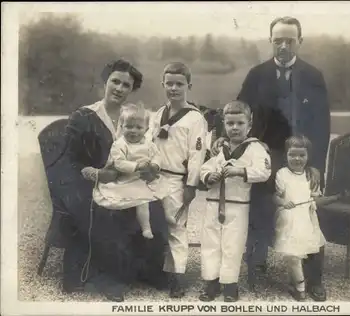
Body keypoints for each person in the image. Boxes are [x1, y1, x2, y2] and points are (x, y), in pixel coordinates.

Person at [212, 16, 331, 300]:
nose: (283, 46)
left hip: (301, 156)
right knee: (261, 210)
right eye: (277, 40)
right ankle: (256, 266)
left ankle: (314, 279)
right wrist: (222, 135)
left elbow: (323, 124)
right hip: (266, 154)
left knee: (308, 212)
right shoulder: (257, 74)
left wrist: (316, 165)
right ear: (270, 42)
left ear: (299, 42)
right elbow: (238, 109)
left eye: (289, 40)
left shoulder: (313, 77)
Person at [55, 59, 167, 302]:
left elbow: (147, 152)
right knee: (109, 211)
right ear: (104, 82)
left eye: (126, 85)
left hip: (130, 182)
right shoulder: (85, 116)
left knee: (154, 207)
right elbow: (70, 161)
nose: (119, 88)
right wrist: (96, 173)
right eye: (115, 81)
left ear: (132, 90)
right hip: (92, 183)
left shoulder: (135, 118)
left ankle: (145, 271)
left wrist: (150, 169)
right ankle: (110, 278)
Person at [198, 101, 271, 302]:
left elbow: (264, 171)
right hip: (214, 201)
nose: (235, 128)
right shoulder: (221, 148)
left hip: (238, 205)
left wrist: (241, 171)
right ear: (224, 124)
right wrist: (209, 176)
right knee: (211, 243)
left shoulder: (255, 148)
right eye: (230, 123)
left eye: (240, 123)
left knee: (233, 245)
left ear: (249, 124)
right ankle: (210, 282)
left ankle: (230, 284)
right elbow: (205, 167)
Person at [148, 62, 208, 298]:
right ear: (163, 84)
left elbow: (197, 155)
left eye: (179, 84)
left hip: (176, 180)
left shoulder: (195, 119)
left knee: (176, 226)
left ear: (188, 86)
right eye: (169, 83)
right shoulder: (157, 114)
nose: (174, 88)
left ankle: (177, 277)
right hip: (154, 177)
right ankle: (158, 270)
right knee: (154, 224)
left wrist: (191, 185)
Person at [273, 135, 341, 301]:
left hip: (307, 219)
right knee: (292, 254)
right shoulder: (282, 174)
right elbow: (275, 196)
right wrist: (283, 201)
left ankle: (300, 283)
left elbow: (315, 198)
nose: (297, 159)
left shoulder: (311, 176)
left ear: (308, 156)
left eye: (302, 155)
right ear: (286, 156)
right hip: (289, 218)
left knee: (307, 249)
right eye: (292, 155)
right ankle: (300, 286)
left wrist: (332, 198)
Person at [88, 103, 166, 239]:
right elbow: (119, 163)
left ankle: (146, 227)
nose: (133, 131)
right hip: (124, 178)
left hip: (141, 179)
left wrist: (154, 165)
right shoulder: (120, 144)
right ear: (121, 127)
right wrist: (136, 166)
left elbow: (157, 156)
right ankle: (116, 232)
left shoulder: (148, 144)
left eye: (138, 127)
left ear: (147, 129)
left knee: (145, 201)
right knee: (126, 199)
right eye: (129, 127)